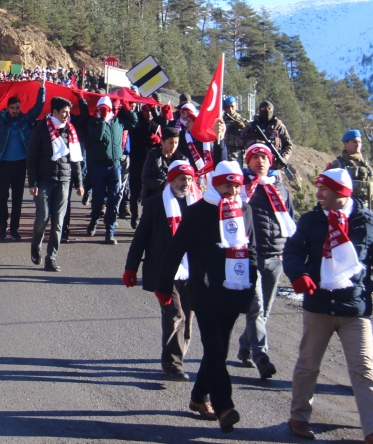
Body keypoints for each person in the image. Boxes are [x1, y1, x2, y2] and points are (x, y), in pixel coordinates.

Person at [282, 168, 373, 443]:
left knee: (363, 369)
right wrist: (298, 274)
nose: (318, 193)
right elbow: (293, 252)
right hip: (319, 305)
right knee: (308, 364)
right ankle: (298, 417)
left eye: (324, 189)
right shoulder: (311, 220)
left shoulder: (366, 222)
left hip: (354, 308)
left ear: (340, 192)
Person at [155, 160, 256, 434]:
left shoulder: (244, 210)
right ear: (215, 184)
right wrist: (163, 286)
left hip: (234, 292)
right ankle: (224, 407)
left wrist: (251, 286)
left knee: (219, 350)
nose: (232, 190)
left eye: (236, 185)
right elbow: (175, 249)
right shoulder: (198, 212)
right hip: (205, 292)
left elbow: (252, 250)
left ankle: (198, 397)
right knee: (214, 348)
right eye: (227, 185)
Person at [124, 160, 197, 381]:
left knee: (188, 318)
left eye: (189, 179)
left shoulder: (198, 205)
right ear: (171, 180)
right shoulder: (156, 204)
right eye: (181, 179)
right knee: (174, 315)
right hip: (165, 272)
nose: (185, 183)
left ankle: (176, 358)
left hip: (191, 271)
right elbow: (141, 238)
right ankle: (172, 365)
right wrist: (131, 268)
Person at [236, 143, 296, 379]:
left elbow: (289, 220)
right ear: (248, 161)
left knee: (265, 310)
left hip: (275, 258)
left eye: (264, 157)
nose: (260, 161)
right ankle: (261, 357)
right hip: (253, 256)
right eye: (255, 157)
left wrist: (289, 252)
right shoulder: (243, 187)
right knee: (257, 307)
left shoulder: (280, 188)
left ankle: (245, 346)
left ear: (271, 161)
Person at [0, 77, 46, 240]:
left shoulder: (25, 120)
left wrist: (42, 89)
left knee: (17, 198)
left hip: (21, 165)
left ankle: (14, 228)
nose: (15, 110)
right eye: (12, 108)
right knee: (2, 197)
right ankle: (2, 226)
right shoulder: (0, 121)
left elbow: (38, 108)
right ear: (7, 108)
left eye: (17, 107)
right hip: (3, 165)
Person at [27, 96, 85, 272]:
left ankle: (51, 258)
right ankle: (36, 245)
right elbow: (32, 157)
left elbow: (75, 160)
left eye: (69, 112)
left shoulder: (70, 131)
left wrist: (79, 183)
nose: (67, 116)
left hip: (64, 181)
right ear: (55, 112)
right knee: (42, 219)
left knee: (58, 222)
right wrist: (33, 182)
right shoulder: (40, 130)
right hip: (44, 181)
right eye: (64, 112)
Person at [78, 94, 139, 244]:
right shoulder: (93, 122)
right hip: (98, 166)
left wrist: (128, 108)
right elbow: (97, 136)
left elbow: (134, 122)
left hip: (115, 166)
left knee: (113, 199)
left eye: (107, 109)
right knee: (98, 199)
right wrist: (102, 119)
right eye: (102, 109)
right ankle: (94, 220)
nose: (105, 111)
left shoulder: (118, 121)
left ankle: (110, 231)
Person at [329, 129, 373, 215]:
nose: (358, 145)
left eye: (360, 142)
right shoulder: (336, 165)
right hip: (345, 213)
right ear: (345, 144)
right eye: (354, 142)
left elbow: (371, 192)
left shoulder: (366, 167)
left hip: (366, 212)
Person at [178, 102, 228, 181]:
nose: (186, 123)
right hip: (191, 176)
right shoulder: (182, 136)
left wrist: (220, 137)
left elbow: (219, 158)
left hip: (209, 175)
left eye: (189, 121)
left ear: (196, 123)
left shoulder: (206, 138)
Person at [240, 101, 293, 168]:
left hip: (274, 165)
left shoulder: (279, 126)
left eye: (269, 109)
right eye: (264, 109)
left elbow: (288, 145)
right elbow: (240, 141)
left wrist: (283, 158)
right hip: (256, 165)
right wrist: (255, 142)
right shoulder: (252, 126)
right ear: (260, 110)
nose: (267, 111)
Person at [141, 126, 181, 201]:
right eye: (170, 143)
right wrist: (163, 184)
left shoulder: (181, 159)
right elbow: (145, 179)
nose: (173, 146)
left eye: (176, 143)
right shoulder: (153, 156)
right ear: (162, 141)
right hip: (154, 197)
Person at [222, 96, 247, 164]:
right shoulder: (221, 120)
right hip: (224, 150)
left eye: (232, 106)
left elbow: (251, 134)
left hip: (236, 152)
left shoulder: (242, 120)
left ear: (236, 106)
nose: (230, 109)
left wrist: (243, 127)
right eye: (228, 107)